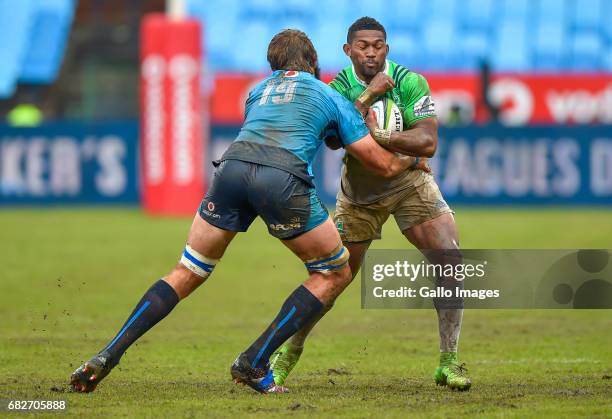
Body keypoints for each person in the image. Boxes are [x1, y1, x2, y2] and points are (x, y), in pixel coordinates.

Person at [70, 29, 415, 395]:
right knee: (334, 271)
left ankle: (107, 354)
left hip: (231, 169)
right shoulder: (327, 93)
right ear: (314, 63)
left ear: (273, 66)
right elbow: (382, 165)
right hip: (282, 177)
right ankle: (254, 360)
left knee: (188, 269)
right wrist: (412, 156)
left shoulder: (258, 92)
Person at [270, 17, 472, 391]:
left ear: (387, 49)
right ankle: (287, 354)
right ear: (348, 51)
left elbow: (427, 142)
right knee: (333, 278)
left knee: (450, 259)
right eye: (363, 45)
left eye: (378, 45)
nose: (371, 52)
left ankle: (449, 361)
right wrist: (367, 99)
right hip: (359, 195)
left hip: (410, 183)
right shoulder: (337, 88)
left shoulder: (410, 81)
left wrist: (377, 133)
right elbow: (332, 141)